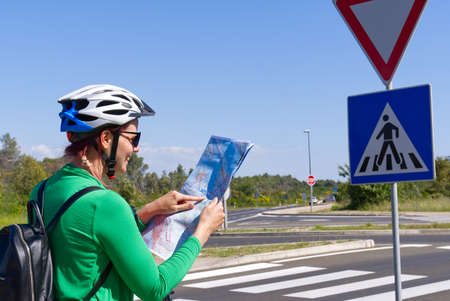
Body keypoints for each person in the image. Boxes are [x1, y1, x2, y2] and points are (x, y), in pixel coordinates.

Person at [29, 84, 225, 301]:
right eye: (133, 139)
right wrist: (202, 232)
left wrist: (151, 210)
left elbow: (87, 238)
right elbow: (154, 289)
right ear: (105, 139)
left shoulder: (41, 191)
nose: (136, 148)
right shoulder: (106, 204)